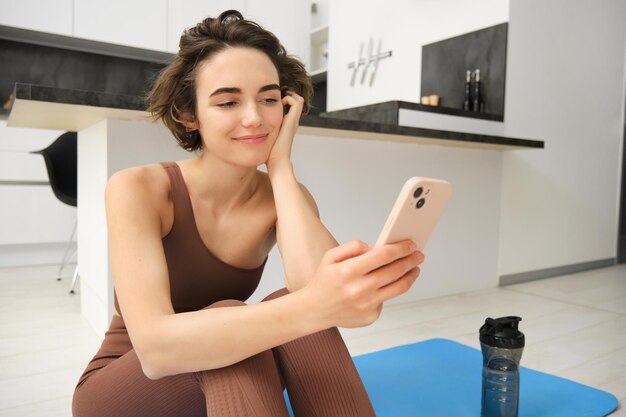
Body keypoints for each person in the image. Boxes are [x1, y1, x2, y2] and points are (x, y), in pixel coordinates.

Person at [72, 9, 424, 417]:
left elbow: (328, 299)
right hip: (125, 388)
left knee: (281, 309)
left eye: (269, 98)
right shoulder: (138, 188)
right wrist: (317, 304)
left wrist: (280, 167)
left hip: (218, 377)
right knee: (232, 317)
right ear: (190, 116)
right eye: (228, 101)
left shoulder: (284, 194)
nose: (255, 117)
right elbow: (155, 350)